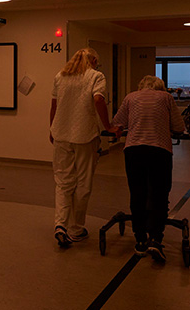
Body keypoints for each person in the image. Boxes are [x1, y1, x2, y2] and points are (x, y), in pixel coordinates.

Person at [112, 75, 185, 262]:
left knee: (137, 194)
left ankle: (140, 240)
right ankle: (156, 240)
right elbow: (179, 126)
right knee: (159, 195)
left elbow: (117, 122)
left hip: (133, 150)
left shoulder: (130, 97)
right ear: (160, 87)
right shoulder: (166, 98)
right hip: (159, 150)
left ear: (141, 86)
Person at [49, 48, 118, 248]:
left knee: (63, 182)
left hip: (61, 135)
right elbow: (98, 99)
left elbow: (54, 105)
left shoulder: (60, 76)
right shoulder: (96, 76)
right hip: (84, 136)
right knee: (83, 184)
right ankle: (76, 229)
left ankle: (60, 225)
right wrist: (108, 126)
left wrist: (52, 129)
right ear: (94, 60)